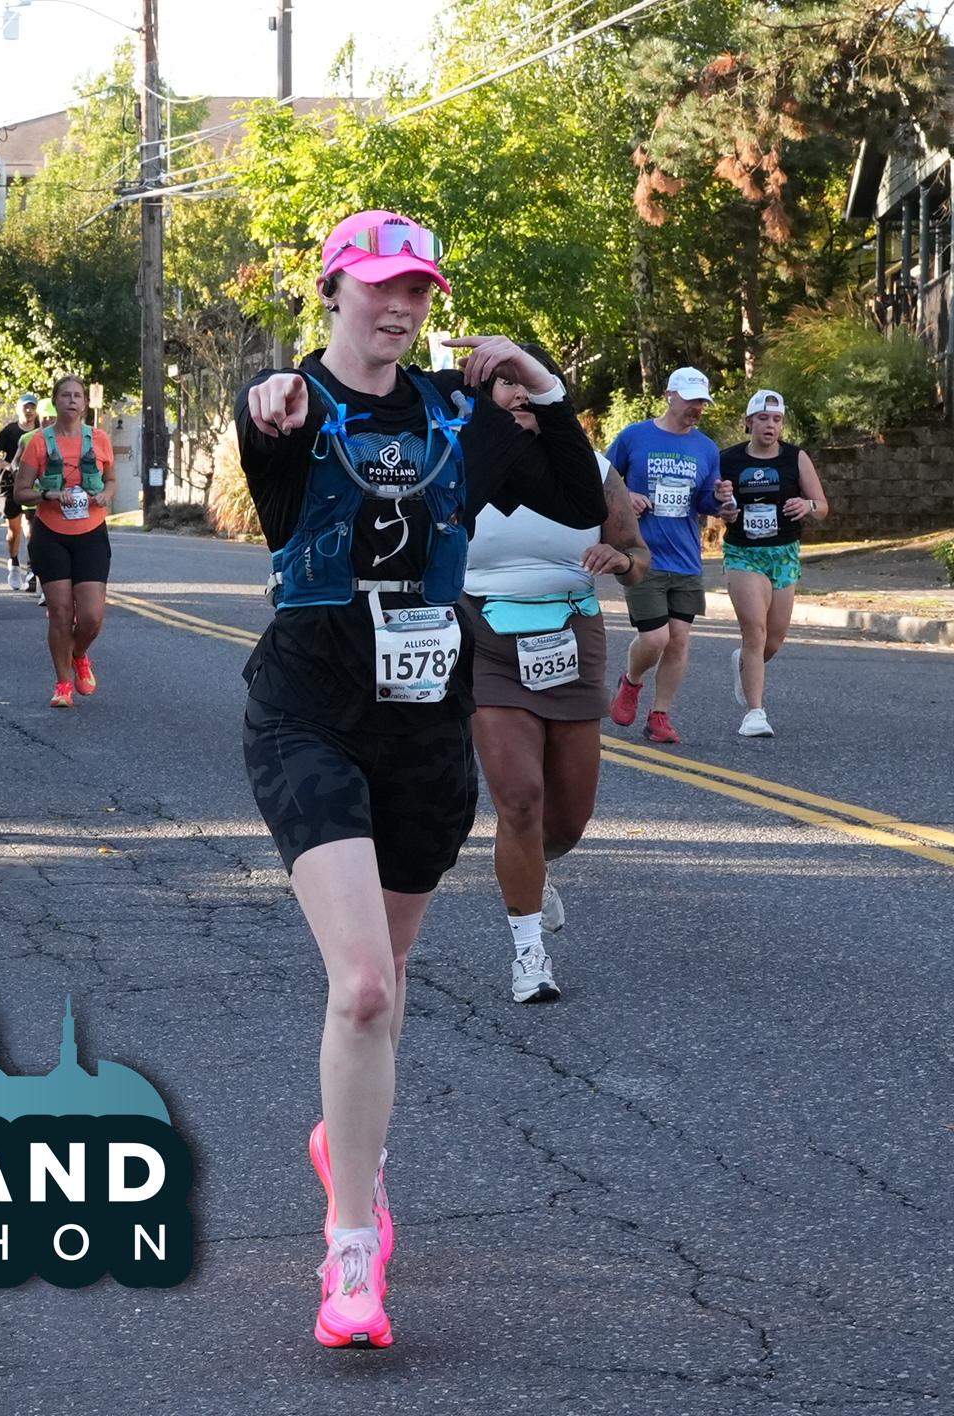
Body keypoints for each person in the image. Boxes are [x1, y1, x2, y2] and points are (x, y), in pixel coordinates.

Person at [235, 210, 607, 1348]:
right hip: (309, 708)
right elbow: (269, 426)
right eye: (380, 285)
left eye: (417, 290)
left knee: (390, 984)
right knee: (359, 987)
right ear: (334, 288)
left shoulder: (458, 413)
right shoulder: (294, 404)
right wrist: (267, 402)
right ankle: (352, 1249)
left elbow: (579, 501)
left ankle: (349, 1142)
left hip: (425, 720)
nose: (399, 307)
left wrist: (542, 386)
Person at [465, 351, 649, 1004]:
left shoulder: (591, 469)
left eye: (527, 382)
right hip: (484, 633)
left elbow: (639, 557)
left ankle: (533, 868)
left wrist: (619, 561)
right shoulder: (458, 462)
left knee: (567, 821)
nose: (517, 394)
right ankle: (529, 954)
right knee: (519, 799)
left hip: (570, 635)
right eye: (503, 383)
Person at [605, 368, 736, 745]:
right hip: (642, 555)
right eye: (691, 400)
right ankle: (631, 682)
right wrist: (627, 497)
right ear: (669, 396)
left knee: (678, 640)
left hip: (686, 557)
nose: (696, 408)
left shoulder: (706, 448)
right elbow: (601, 480)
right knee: (655, 638)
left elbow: (705, 501)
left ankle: (659, 715)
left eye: (702, 402)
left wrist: (722, 502)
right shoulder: (634, 436)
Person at [720, 389, 828, 738]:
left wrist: (807, 506)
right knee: (755, 630)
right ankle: (755, 713)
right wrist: (724, 509)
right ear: (749, 422)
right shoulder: (728, 459)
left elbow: (822, 506)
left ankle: (742, 662)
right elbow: (713, 501)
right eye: (763, 419)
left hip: (783, 554)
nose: (770, 425)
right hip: (743, 553)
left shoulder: (796, 458)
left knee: (774, 639)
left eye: (776, 419)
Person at [13, 376, 115, 706]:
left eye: (77, 396)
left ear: (84, 403)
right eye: (66, 395)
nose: (72, 400)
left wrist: (106, 494)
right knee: (60, 611)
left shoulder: (99, 439)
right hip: (51, 535)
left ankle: (79, 653)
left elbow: (111, 480)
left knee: (91, 616)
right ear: (55, 401)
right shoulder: (38, 442)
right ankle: (63, 685)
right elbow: (20, 492)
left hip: (91, 534)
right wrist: (49, 494)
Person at [0, 394, 43, 596]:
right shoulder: (9, 431)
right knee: (15, 530)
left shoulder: (41, 431)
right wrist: (8, 466)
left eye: (32, 407)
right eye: (25, 407)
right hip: (9, 484)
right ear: (18, 409)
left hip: (33, 485)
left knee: (31, 528)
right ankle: (14, 563)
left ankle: (32, 571)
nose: (29, 411)